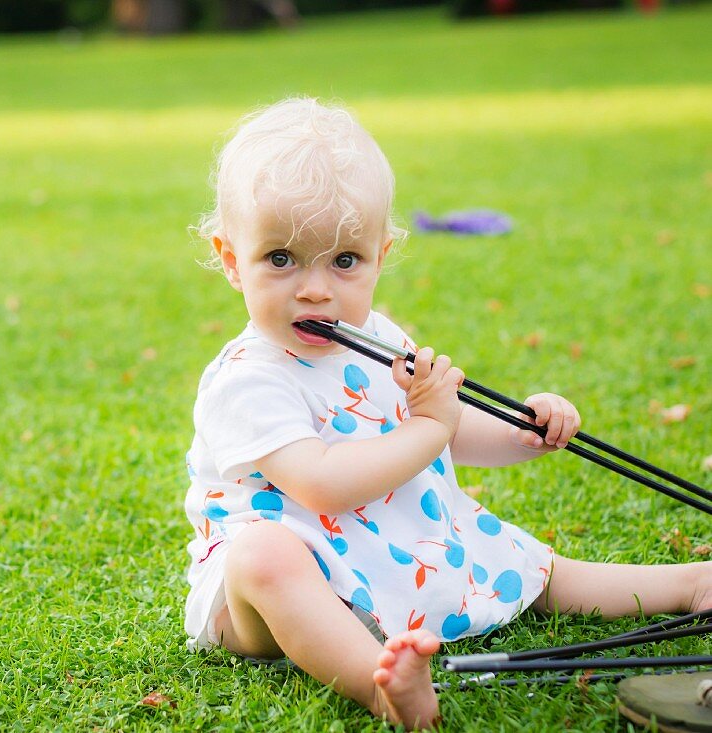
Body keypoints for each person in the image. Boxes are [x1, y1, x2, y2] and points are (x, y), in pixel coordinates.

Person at [183, 97, 711, 730]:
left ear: (382, 253)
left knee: (524, 566)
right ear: (231, 259)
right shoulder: (247, 378)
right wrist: (428, 427)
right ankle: (382, 686)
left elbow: (450, 428)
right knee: (264, 556)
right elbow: (320, 483)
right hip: (278, 593)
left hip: (390, 537)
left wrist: (524, 433)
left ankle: (689, 583)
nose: (316, 288)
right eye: (281, 259)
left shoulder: (376, 336)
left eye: (344, 260)